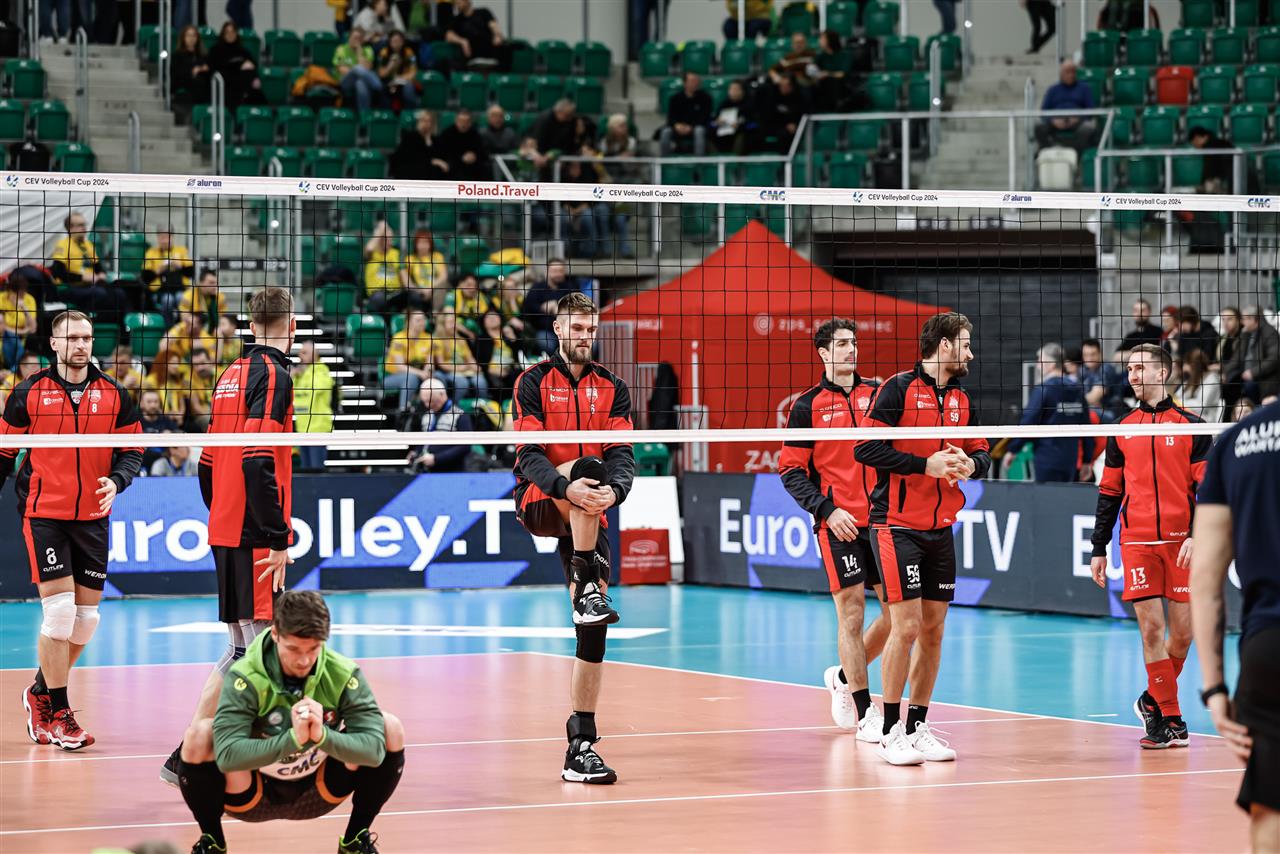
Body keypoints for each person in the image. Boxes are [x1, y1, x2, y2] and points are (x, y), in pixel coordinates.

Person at [160, 288, 297, 788]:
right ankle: (229, 757)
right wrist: (276, 535)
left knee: (243, 651)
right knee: (263, 654)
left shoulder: (229, 374)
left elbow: (207, 463)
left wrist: (223, 513)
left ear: (251, 325)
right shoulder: (274, 375)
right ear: (292, 326)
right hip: (252, 531)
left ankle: (189, 755)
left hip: (228, 525)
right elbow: (258, 458)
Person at [2, 311, 143, 750]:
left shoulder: (115, 393)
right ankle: (61, 714)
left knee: (86, 622)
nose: (81, 345)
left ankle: (39, 691)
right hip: (45, 513)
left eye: (87, 337)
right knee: (60, 614)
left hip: (93, 517)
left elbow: (133, 448)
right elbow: (4, 453)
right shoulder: (28, 393)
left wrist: (117, 480)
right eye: (72, 338)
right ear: (54, 344)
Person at [854, 312, 991, 765]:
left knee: (934, 629)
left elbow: (982, 451)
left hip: (941, 527)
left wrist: (972, 465)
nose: (971, 353)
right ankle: (890, 730)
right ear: (944, 345)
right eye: (965, 343)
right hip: (895, 525)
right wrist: (923, 465)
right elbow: (865, 448)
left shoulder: (962, 399)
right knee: (906, 626)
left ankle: (917, 725)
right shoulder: (896, 389)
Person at [512, 291, 635, 784]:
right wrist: (566, 487)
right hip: (542, 498)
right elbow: (528, 454)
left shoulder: (613, 387)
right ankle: (586, 585)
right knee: (588, 467)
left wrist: (615, 493)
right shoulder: (533, 381)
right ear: (559, 329)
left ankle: (580, 745)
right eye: (577, 328)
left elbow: (622, 454)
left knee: (593, 629)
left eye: (591, 329)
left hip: (591, 510)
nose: (585, 336)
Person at [177, 590, 404, 854]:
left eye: (313, 649)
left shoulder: (342, 674)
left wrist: (323, 737)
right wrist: (292, 739)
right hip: (252, 793)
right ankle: (212, 843)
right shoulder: (245, 677)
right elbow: (227, 756)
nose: (304, 660)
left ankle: (355, 842)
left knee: (389, 727)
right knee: (199, 735)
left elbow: (374, 751)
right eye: (294, 649)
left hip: (320, 790)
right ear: (275, 634)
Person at [1089, 343, 1210, 749]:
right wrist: (1099, 547)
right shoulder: (1123, 428)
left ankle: (1151, 700)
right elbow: (1109, 492)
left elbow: (1208, 489)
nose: (1133, 375)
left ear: (1163, 372)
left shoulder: (1191, 426)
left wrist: (1197, 532)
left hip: (1180, 542)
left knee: (1184, 634)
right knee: (1152, 628)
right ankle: (1170, 717)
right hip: (1137, 540)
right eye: (1129, 369)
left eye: (1140, 368)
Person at [779, 319, 889, 743]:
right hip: (838, 524)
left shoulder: (879, 394)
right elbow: (791, 471)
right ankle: (864, 712)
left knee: (899, 619)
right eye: (842, 344)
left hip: (882, 520)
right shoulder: (807, 406)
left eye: (854, 343)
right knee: (852, 613)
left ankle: (842, 677)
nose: (851, 349)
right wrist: (827, 509)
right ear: (824, 353)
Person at [1190, 397, 1280, 850]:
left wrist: (1215, 688)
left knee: (1271, 808)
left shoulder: (1236, 441)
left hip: (1269, 646)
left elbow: (1205, 578)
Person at [1003, 343, 1095, 482]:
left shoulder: (1043, 389)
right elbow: (1087, 429)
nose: (1038, 365)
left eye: (1040, 360)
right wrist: (1087, 461)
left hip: (1047, 459)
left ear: (1051, 364)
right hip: (1070, 460)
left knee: (1047, 495)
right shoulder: (1077, 390)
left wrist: (1013, 450)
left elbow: (1029, 421)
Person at [49, 211, 127, 322]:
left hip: (90, 286)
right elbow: (58, 273)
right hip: (68, 288)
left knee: (119, 293)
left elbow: (98, 267)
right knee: (99, 294)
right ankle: (95, 323)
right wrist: (83, 278)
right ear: (70, 228)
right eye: (80, 225)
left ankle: (117, 327)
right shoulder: (63, 245)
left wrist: (101, 274)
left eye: (84, 224)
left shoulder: (88, 245)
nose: (84, 228)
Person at [400, 377, 473, 473]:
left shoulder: (460, 415)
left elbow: (465, 447)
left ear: (442, 394)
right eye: (425, 401)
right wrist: (416, 452)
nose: (427, 405)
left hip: (452, 471)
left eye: (431, 401)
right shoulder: (426, 416)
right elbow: (425, 441)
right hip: (427, 472)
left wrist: (437, 459)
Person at [521, 259, 580, 355]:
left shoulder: (571, 287)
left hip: (568, 331)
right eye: (555, 271)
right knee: (545, 343)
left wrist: (559, 308)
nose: (558, 274)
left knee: (590, 345)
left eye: (561, 271)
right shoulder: (537, 288)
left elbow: (579, 306)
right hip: (544, 331)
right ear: (547, 271)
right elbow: (526, 309)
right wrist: (542, 308)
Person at [1035, 61, 1096, 151]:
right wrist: (1053, 120)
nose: (1071, 75)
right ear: (1061, 74)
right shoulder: (1053, 90)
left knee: (1087, 129)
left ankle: (1076, 154)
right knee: (1039, 128)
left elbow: (1091, 110)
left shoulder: (1084, 89)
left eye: (1073, 72)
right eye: (1068, 72)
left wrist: (1078, 119)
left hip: (1077, 120)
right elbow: (1044, 111)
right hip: (1056, 120)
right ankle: (1049, 152)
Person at [293, 340, 334, 473]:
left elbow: (317, 388)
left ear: (315, 354)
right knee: (305, 471)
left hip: (318, 429)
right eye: (300, 352)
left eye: (304, 352)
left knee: (316, 471)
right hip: (302, 429)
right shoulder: (299, 373)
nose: (300, 355)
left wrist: (302, 372)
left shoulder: (322, 371)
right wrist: (292, 376)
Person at [433, 310, 488, 403]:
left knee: (480, 381)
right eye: (450, 323)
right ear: (443, 325)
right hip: (448, 372)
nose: (454, 325)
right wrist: (459, 368)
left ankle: (483, 405)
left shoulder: (461, 340)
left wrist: (475, 366)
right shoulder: (438, 340)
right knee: (462, 383)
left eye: (455, 322)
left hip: (465, 370)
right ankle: (455, 405)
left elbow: (469, 358)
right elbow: (441, 364)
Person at [383, 309, 435, 408]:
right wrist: (421, 373)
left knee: (438, 377)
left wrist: (428, 372)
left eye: (423, 319)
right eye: (418, 320)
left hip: (419, 375)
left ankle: (430, 410)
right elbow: (400, 367)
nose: (422, 322)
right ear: (409, 322)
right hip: (392, 376)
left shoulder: (428, 338)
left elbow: (430, 363)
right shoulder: (399, 339)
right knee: (410, 378)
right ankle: (403, 410)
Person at [207, 22, 264, 108]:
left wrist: (248, 64)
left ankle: (249, 93)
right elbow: (217, 66)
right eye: (227, 32)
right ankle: (247, 92)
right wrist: (239, 65)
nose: (230, 35)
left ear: (236, 34)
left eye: (233, 32)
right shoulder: (215, 50)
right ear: (223, 34)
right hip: (226, 81)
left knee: (249, 74)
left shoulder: (242, 50)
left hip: (241, 80)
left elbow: (253, 63)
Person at [143, 228, 195, 319]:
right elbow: (145, 277)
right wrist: (158, 271)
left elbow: (191, 273)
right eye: (162, 237)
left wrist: (179, 267)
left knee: (180, 297)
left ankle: (182, 324)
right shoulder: (151, 253)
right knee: (168, 300)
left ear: (172, 237)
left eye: (167, 237)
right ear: (158, 238)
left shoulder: (181, 251)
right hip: (159, 290)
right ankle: (168, 326)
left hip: (180, 288)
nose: (165, 241)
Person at [445, 0, 507, 69]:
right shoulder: (456, 20)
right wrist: (462, 41)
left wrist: (497, 35)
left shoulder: (483, 12)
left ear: (467, 1)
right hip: (471, 54)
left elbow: (494, 25)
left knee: (504, 48)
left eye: (459, 3)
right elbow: (449, 36)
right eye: (455, 4)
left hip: (489, 50)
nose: (457, 6)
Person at [390, 110, 450, 181]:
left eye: (428, 121)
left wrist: (428, 140)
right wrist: (433, 161)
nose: (425, 124)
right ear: (418, 122)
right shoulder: (410, 137)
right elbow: (411, 158)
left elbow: (440, 156)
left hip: (428, 173)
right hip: (411, 171)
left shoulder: (435, 140)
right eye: (423, 120)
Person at [660, 71, 711, 156]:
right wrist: (676, 125)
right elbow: (671, 117)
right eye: (692, 81)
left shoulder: (706, 98)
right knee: (665, 131)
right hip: (679, 128)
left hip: (695, 127)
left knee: (699, 130)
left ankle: (699, 160)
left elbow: (705, 117)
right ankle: (665, 160)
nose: (695, 83)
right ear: (685, 83)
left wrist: (691, 127)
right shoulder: (675, 99)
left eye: (697, 81)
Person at [1080, 337, 1129, 422]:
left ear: (1100, 354)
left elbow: (1094, 398)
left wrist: (1075, 402)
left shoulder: (1106, 368)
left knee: (1080, 412)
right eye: (1086, 355)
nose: (1089, 358)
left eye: (1093, 354)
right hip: (1094, 410)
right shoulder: (1083, 369)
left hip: (1112, 414)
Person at [1239, 305, 1280, 405]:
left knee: (1248, 386)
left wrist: (1253, 372)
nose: (1242, 322)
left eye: (1244, 319)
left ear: (1253, 319)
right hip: (1245, 375)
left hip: (1265, 378)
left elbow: (1273, 359)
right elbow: (1237, 357)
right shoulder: (1246, 333)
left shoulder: (1269, 333)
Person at [403, 230, 449, 312]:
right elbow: (407, 281)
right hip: (419, 291)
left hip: (435, 289)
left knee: (443, 286)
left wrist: (430, 288)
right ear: (415, 244)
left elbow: (443, 276)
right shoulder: (410, 259)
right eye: (420, 243)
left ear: (430, 244)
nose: (423, 245)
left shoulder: (438, 256)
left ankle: (435, 313)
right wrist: (420, 291)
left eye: (425, 242)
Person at [438, 108, 488, 182]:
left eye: (466, 121)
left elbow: (483, 152)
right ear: (456, 121)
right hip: (453, 166)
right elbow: (443, 153)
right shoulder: (447, 134)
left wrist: (475, 156)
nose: (463, 124)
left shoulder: (475, 134)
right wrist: (461, 158)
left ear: (470, 122)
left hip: (472, 168)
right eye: (461, 121)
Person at [1174, 348, 1223, 423]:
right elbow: (1178, 396)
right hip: (1190, 416)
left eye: (1186, 364)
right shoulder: (1192, 379)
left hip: (1206, 420)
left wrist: (1179, 403)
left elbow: (1201, 406)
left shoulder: (1211, 379)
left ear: (1193, 366)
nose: (1184, 368)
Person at [0, 272, 37, 370]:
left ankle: (13, 370)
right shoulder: (1, 299)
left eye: (22, 294)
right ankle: (13, 370)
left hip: (21, 339)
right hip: (3, 337)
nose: (21, 297)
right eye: (18, 294)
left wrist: (25, 310)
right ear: (9, 291)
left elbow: (33, 329)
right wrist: (22, 331)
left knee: (16, 343)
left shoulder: (29, 300)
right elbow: (1, 329)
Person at [376, 29, 420, 110]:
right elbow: (381, 74)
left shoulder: (409, 52)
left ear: (403, 42)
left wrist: (400, 78)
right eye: (394, 41)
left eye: (398, 41)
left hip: (404, 81)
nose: (396, 44)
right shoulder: (384, 53)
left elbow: (413, 73)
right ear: (390, 42)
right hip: (387, 81)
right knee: (382, 89)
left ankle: (409, 113)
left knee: (409, 89)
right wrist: (390, 66)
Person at [711, 79, 755, 155]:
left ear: (742, 91)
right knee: (707, 134)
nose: (732, 91)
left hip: (742, 133)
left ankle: (736, 161)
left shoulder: (749, 105)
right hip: (724, 133)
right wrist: (717, 122)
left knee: (742, 136)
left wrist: (740, 125)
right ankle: (715, 158)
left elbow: (754, 124)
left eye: (735, 89)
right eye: (731, 89)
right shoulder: (724, 104)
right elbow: (712, 122)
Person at [171, 24, 212, 106]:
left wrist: (200, 69)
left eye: (194, 36)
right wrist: (192, 71)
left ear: (197, 38)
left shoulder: (203, 55)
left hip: (201, 84)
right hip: (183, 84)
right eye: (188, 35)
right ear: (183, 38)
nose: (191, 38)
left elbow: (207, 69)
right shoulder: (177, 55)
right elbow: (176, 74)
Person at [1188, 126, 1234, 194]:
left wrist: (1202, 184)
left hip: (1230, 179)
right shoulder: (1218, 142)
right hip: (1233, 178)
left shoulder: (1210, 147)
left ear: (1197, 138)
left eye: (1194, 143)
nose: (1196, 147)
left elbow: (1209, 169)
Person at [1219, 306, 1245, 408]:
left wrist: (1224, 371)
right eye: (1223, 319)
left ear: (1238, 320)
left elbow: (1237, 361)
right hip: (1225, 373)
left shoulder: (1244, 336)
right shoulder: (1224, 339)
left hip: (1238, 374)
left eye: (1229, 319)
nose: (1225, 323)